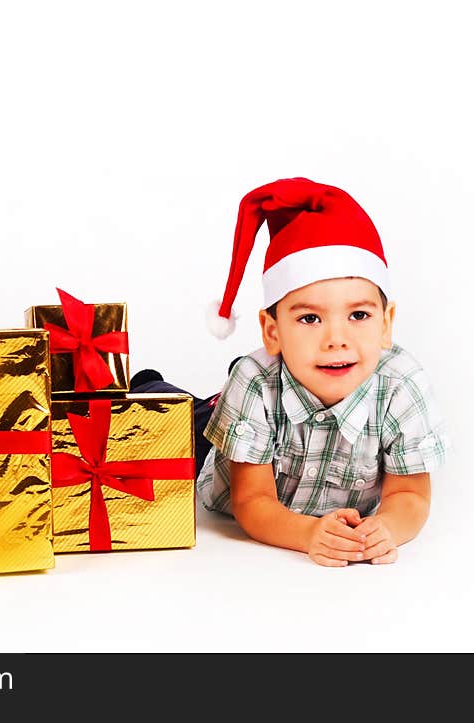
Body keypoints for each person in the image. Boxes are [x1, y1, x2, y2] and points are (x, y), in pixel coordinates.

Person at [132, 177, 449, 566]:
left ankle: (227, 397)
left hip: (267, 406)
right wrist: (308, 534)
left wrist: (386, 529)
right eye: (311, 318)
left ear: (386, 324)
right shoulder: (254, 382)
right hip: (220, 446)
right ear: (272, 331)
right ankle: (154, 384)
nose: (337, 339)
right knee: (183, 421)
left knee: (241, 396)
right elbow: (252, 501)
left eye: (359, 315)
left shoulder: (401, 385)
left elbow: (411, 496)